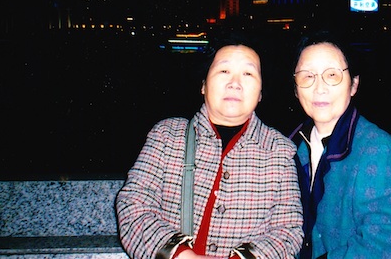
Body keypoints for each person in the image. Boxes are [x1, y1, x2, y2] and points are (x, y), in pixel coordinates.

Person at [116, 36, 304, 259]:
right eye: (224, 71)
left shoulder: (280, 151)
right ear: (204, 85)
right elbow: (133, 205)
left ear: (261, 92)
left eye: (248, 73)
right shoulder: (166, 136)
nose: (235, 83)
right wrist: (181, 256)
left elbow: (288, 231)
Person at [288, 31, 391, 259]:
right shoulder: (291, 148)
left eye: (332, 75)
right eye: (307, 76)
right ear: (295, 88)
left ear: (354, 84)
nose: (319, 88)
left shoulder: (380, 151)